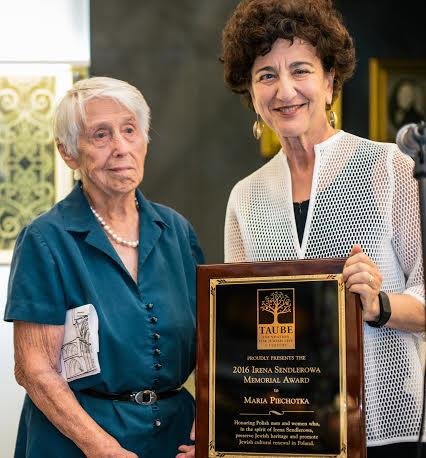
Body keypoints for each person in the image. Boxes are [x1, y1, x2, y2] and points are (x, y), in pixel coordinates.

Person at [221, 1, 425, 457]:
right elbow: (237, 331)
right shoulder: (245, 197)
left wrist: (380, 304)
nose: (285, 89)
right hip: (288, 433)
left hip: (386, 429)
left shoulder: (389, 168)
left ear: (330, 81)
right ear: (252, 94)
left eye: (300, 70)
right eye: (266, 75)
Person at [4, 76, 203, 458]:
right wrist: (101, 448)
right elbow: (34, 369)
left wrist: (210, 426)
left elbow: (212, 344)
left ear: (145, 141)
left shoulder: (177, 231)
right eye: (100, 135)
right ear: (68, 154)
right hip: (75, 442)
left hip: (174, 440)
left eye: (130, 130)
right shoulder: (45, 240)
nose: (120, 148)